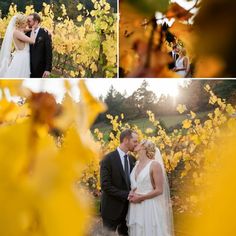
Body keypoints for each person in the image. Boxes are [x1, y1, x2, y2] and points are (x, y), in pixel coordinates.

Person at [127, 140, 174, 236]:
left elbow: (159, 190)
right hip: (135, 206)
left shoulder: (154, 165)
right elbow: (136, 185)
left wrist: (140, 198)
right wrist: (131, 192)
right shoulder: (136, 165)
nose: (136, 144)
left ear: (144, 148)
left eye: (139, 143)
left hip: (149, 206)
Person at [100, 129, 139, 235]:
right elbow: (105, 185)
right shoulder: (108, 159)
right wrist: (127, 194)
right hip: (111, 210)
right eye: (135, 141)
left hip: (128, 211)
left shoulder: (132, 159)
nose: (137, 144)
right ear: (126, 140)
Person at [26, 13, 52, 78]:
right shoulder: (26, 33)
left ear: (36, 22)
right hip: (26, 67)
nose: (27, 23)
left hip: (40, 69)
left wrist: (47, 69)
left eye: (29, 21)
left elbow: (49, 52)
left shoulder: (45, 33)